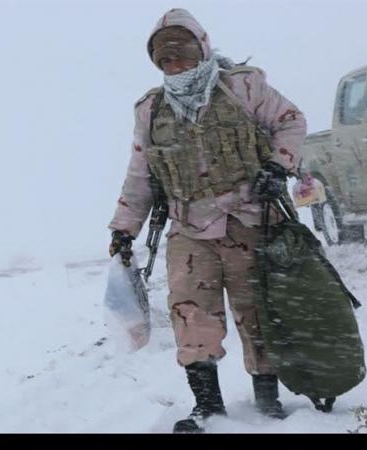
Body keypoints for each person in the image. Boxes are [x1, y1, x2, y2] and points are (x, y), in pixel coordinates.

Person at [108, 8, 307, 433]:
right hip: (189, 229)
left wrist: (278, 166)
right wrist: (124, 229)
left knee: (258, 312)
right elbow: (139, 173)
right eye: (166, 62)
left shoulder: (243, 86)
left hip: (249, 220)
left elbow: (290, 122)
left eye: (182, 57)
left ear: (202, 49)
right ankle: (208, 407)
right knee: (189, 313)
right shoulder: (151, 110)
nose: (176, 68)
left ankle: (268, 400)